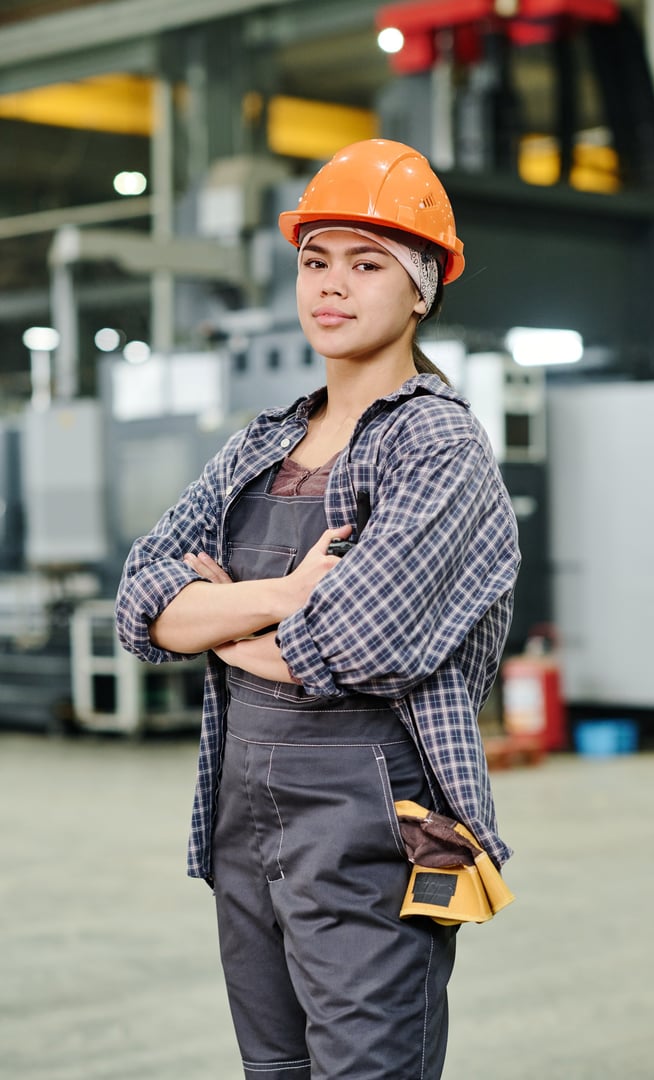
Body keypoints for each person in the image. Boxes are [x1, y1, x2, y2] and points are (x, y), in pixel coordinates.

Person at [115, 138, 520, 1080]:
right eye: (315, 261)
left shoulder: (435, 446)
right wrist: (285, 597)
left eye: (368, 263)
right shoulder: (261, 442)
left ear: (422, 287)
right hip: (242, 813)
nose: (331, 287)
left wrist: (219, 620)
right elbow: (141, 603)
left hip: (373, 819)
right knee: (274, 1070)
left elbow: (358, 641)